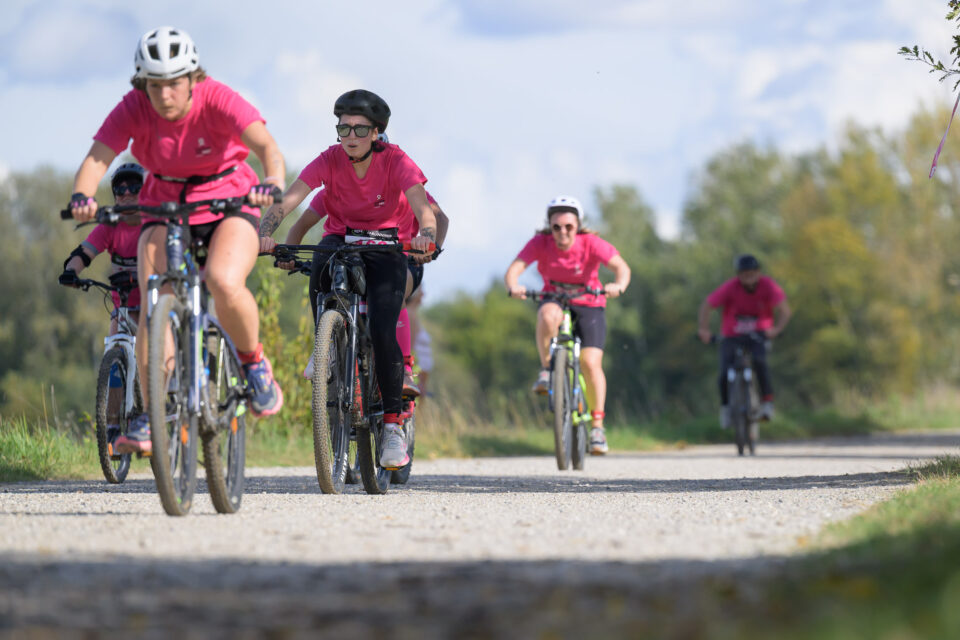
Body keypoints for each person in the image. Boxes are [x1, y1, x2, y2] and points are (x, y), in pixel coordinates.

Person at [66, 26, 285, 454]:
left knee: (223, 281)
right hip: (164, 203)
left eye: (174, 83)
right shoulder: (133, 107)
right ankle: (152, 414)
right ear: (141, 83)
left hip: (230, 199)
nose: (164, 94)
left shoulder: (218, 97)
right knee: (153, 303)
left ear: (192, 78)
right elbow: (98, 157)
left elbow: (266, 146)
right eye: (154, 85)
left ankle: (254, 363)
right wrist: (82, 196)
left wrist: (273, 180)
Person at [259, 89, 437, 468]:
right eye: (343, 128)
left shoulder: (396, 160)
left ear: (376, 133)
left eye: (359, 129)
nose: (350, 136)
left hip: (387, 245)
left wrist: (426, 234)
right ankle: (324, 346)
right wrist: (264, 232)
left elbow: (424, 206)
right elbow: (289, 201)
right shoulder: (329, 160)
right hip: (342, 239)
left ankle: (391, 426)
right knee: (322, 259)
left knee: (385, 329)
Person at [273, 153, 449, 396]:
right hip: (358, 259)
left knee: (393, 294)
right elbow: (300, 226)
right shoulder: (338, 189)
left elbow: (439, 217)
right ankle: (328, 348)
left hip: (405, 258)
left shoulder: (404, 186)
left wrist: (432, 248)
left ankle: (404, 369)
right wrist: (290, 255)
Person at [504, 195, 631, 455]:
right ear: (549, 227)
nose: (562, 232)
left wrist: (618, 285)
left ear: (578, 226)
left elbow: (621, 267)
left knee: (590, 362)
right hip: (555, 298)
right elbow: (514, 269)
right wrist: (513, 286)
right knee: (547, 316)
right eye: (556, 227)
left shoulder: (592, 243)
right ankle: (547, 369)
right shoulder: (540, 243)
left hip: (590, 302)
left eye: (569, 227)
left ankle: (597, 426)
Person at [59, 162, 145, 452]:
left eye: (135, 186)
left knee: (150, 354)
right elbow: (84, 252)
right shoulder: (110, 225)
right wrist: (72, 271)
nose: (126, 193)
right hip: (122, 304)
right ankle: (111, 429)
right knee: (114, 360)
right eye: (119, 189)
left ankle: (149, 416)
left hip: (152, 304)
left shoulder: (154, 224)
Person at [697, 254, 792, 427]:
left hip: (759, 335)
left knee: (760, 362)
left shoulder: (768, 285)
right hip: (732, 336)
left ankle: (767, 404)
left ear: (758, 272)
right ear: (738, 274)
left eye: (752, 272)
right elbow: (707, 305)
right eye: (744, 273)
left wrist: (776, 330)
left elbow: (785, 311)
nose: (748, 276)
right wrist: (704, 330)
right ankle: (725, 408)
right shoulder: (730, 287)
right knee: (724, 372)